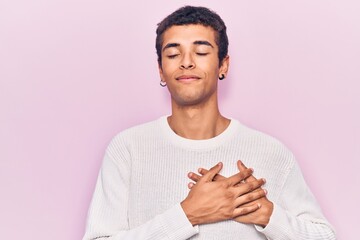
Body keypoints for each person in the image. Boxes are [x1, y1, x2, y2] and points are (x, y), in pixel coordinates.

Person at [82, 6, 336, 240]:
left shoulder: (270, 152)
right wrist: (188, 214)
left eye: (201, 51)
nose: (186, 61)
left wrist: (268, 215)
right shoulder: (127, 149)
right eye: (172, 54)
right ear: (161, 70)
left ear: (223, 64)